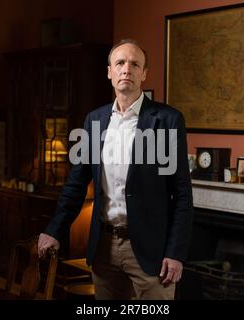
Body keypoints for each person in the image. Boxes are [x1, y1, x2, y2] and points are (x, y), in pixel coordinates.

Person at [38, 39, 193, 300]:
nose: (126, 70)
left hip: (151, 251)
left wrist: (175, 253)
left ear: (143, 74)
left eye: (135, 64)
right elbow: (76, 184)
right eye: (120, 63)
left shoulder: (167, 120)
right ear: (109, 71)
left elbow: (182, 195)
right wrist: (54, 229)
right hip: (104, 248)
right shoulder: (94, 120)